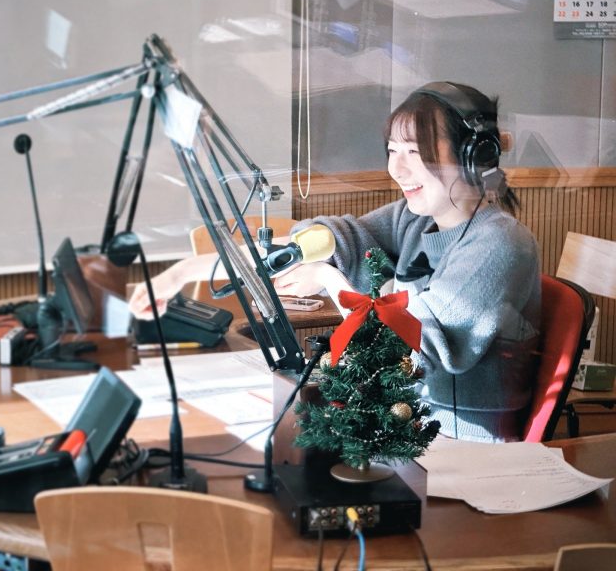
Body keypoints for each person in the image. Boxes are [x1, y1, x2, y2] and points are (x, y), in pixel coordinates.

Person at [129, 82, 541, 443]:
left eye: (415, 152)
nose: (396, 169)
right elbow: (329, 241)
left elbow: (407, 350)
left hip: (455, 442)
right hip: (395, 424)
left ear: (472, 156)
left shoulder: (500, 244)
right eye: (392, 151)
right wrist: (182, 273)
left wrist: (328, 278)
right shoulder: (414, 220)